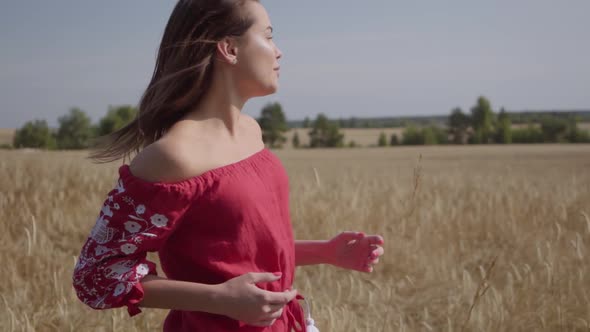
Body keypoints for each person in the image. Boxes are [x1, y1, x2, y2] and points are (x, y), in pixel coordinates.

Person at [72, 0, 385, 331]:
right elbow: (96, 273)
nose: (278, 52)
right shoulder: (174, 155)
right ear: (229, 49)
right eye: (268, 36)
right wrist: (217, 299)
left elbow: (240, 252)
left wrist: (325, 252)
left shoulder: (252, 131)